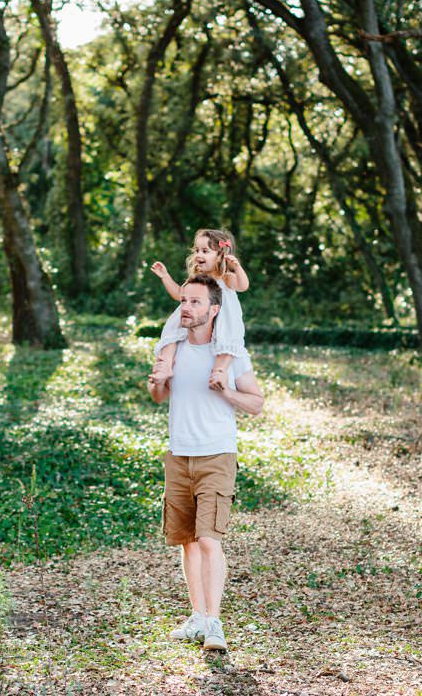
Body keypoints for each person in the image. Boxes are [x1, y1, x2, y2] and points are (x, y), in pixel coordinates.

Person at [146, 274, 265, 651]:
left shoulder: (230, 354)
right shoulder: (172, 347)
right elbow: (158, 396)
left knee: (209, 539)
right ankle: (197, 617)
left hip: (216, 454)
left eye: (195, 302)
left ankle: (214, 623)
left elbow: (257, 403)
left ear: (214, 310)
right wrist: (157, 381)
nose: (186, 307)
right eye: (184, 301)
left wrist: (227, 390)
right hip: (179, 454)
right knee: (187, 543)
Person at [150, 229, 251, 393]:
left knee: (229, 338)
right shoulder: (196, 279)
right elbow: (179, 294)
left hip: (223, 317)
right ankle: (166, 365)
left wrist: (237, 268)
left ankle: (219, 372)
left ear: (220, 255)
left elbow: (243, 286)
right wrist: (165, 276)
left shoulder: (225, 276)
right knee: (173, 330)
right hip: (196, 313)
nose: (198, 254)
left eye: (205, 251)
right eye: (197, 250)